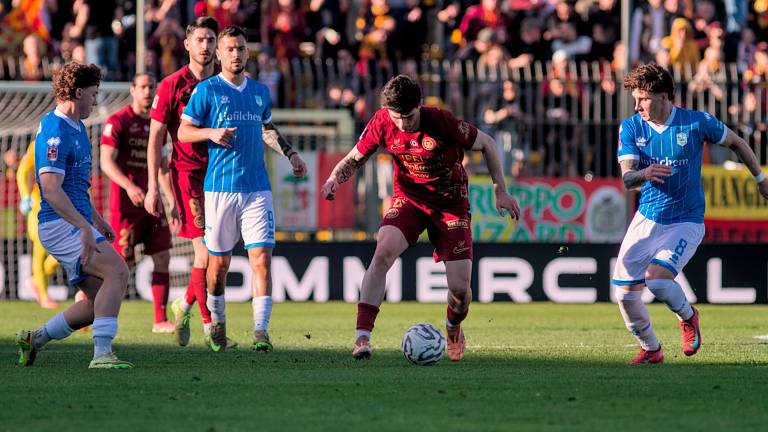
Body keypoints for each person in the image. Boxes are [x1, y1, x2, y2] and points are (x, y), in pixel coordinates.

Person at [321, 74, 520, 361]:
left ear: (420, 105)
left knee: (460, 290)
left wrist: (500, 190)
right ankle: (362, 337)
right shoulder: (381, 122)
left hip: (450, 204)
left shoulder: (442, 121)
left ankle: (453, 326)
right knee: (382, 253)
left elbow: (488, 143)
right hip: (409, 200)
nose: (403, 124)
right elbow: (355, 157)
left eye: (409, 116)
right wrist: (333, 179)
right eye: (397, 117)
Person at [613, 63, 768, 365]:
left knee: (657, 281)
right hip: (647, 218)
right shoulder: (631, 127)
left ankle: (688, 316)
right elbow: (628, 179)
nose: (637, 106)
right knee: (625, 295)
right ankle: (651, 349)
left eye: (643, 98)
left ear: (663, 96)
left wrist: (760, 179)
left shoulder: (696, 123)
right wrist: (644, 173)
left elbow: (737, 143)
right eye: (635, 99)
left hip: (686, 220)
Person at [178, 25, 307, 352]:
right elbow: (183, 132)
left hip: (257, 190)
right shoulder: (207, 90)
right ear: (219, 54)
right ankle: (218, 322)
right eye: (230, 49)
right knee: (218, 266)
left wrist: (290, 154)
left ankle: (261, 331)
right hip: (220, 190)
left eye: (240, 48)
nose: (236, 54)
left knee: (261, 259)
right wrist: (210, 133)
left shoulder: (259, 92)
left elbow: (266, 127)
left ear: (248, 52)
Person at [15, 62, 133, 369]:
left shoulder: (78, 127)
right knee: (118, 272)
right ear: (78, 93)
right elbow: (51, 189)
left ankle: (34, 339)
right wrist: (82, 226)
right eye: (93, 94)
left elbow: (76, 188)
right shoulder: (55, 130)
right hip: (59, 224)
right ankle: (102, 354)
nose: (96, 100)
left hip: (73, 222)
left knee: (97, 301)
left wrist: (96, 220)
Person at [144, 16, 219, 347]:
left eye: (210, 40)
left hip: (221, 176)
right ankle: (211, 327)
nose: (205, 46)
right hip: (188, 176)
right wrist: (153, 187)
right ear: (187, 44)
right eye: (199, 40)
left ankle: (183, 305)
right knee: (204, 252)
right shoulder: (171, 85)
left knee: (218, 254)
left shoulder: (225, 83)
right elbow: (155, 139)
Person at [101, 73, 175, 334]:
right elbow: (106, 161)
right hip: (126, 206)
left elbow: (163, 168)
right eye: (142, 86)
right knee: (123, 266)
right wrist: (129, 186)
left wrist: (172, 201)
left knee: (163, 256)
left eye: (151, 86)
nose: (147, 91)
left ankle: (160, 320)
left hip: (152, 204)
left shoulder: (158, 125)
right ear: (132, 90)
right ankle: (90, 301)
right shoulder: (118, 121)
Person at [16, 141, 60, 309]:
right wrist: (25, 196)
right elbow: (22, 170)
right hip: (39, 204)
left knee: (71, 247)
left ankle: (36, 280)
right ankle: (43, 295)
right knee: (40, 248)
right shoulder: (39, 143)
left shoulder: (72, 142)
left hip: (62, 204)